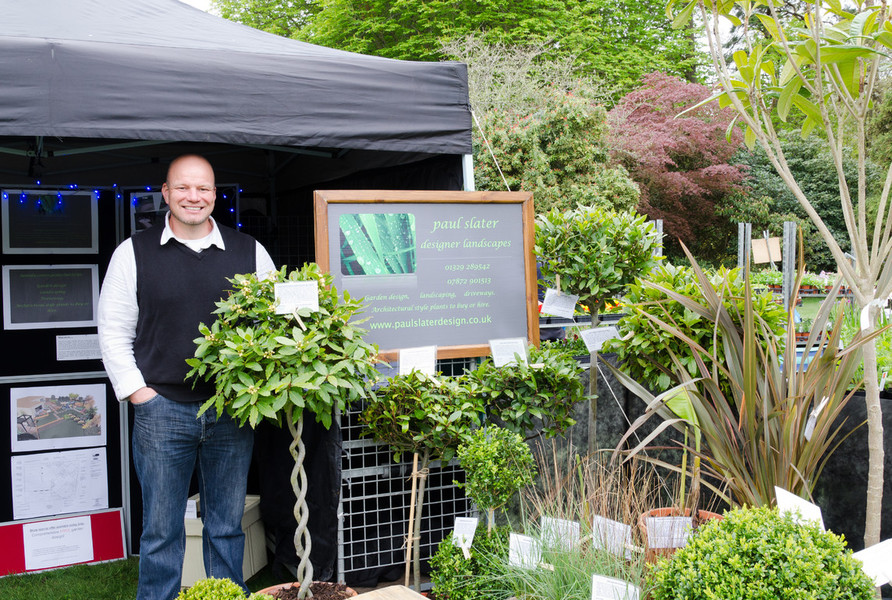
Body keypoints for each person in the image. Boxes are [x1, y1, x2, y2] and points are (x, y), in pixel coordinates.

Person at [98, 154, 275, 600]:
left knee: (226, 526)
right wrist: (141, 396)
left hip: (232, 410)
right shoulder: (132, 253)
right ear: (166, 193)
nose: (193, 197)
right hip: (162, 411)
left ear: (215, 195)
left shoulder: (250, 252)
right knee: (160, 531)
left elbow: (276, 327)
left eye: (203, 189)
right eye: (183, 188)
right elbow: (113, 332)